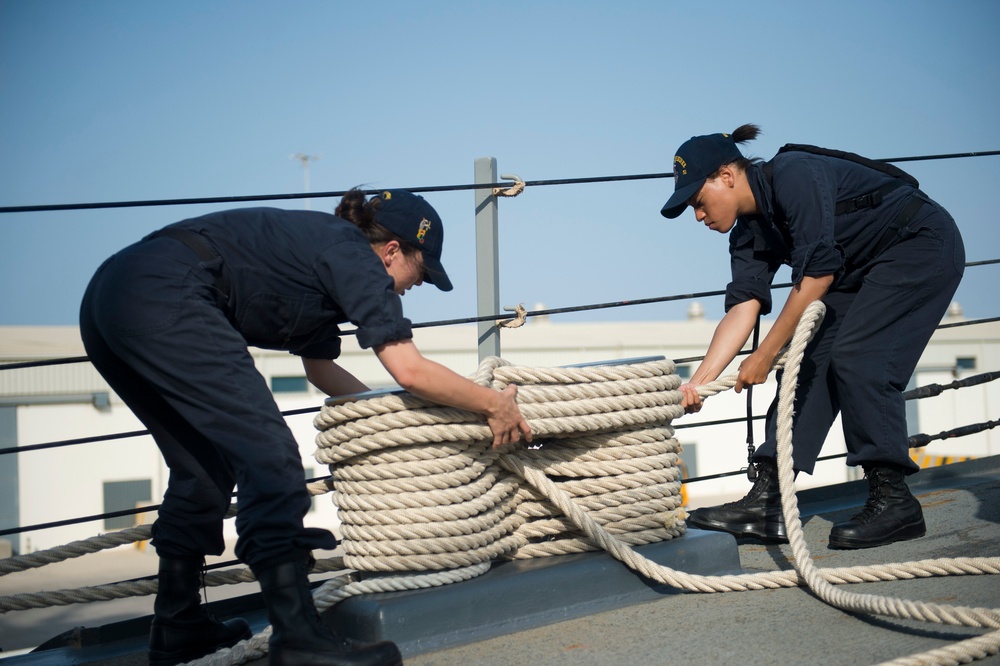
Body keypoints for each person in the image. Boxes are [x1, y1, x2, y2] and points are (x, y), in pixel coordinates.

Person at [80, 189, 533, 666]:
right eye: (421, 273)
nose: (414, 286)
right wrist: (492, 405)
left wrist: (392, 426)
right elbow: (409, 370)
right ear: (393, 250)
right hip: (166, 291)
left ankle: (177, 626)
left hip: (116, 294)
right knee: (270, 457)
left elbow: (323, 372)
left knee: (203, 468)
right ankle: (298, 640)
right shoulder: (351, 254)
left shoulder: (322, 256)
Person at [660, 125, 964, 549]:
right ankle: (770, 500)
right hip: (856, 272)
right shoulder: (747, 234)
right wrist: (699, 382)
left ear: (726, 177)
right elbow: (743, 308)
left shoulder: (793, 175)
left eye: (698, 201)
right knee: (806, 364)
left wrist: (765, 355)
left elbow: (817, 274)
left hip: (918, 245)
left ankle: (895, 500)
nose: (698, 215)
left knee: (859, 357)